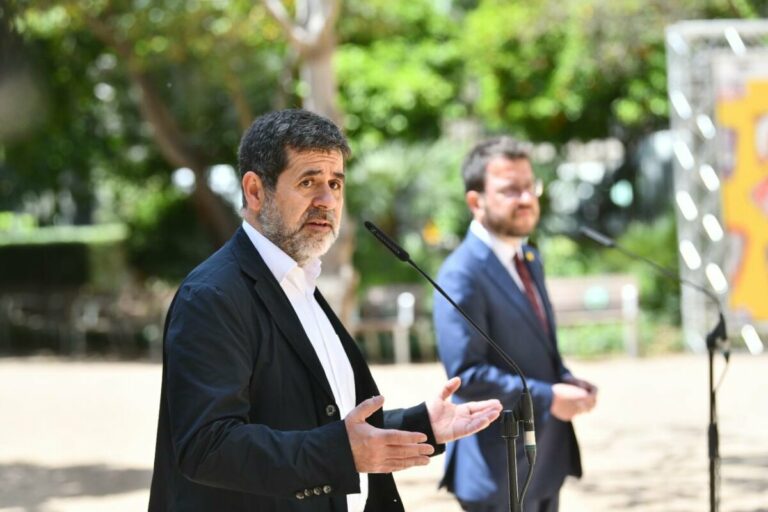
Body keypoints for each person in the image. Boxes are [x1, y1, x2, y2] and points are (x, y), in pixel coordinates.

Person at [148, 108, 502, 512]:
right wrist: (342, 453)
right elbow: (207, 447)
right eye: (309, 181)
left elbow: (320, 420)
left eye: (335, 183)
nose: (327, 200)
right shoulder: (213, 296)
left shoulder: (300, 282)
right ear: (254, 190)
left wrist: (421, 425)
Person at [434, 136, 598, 512]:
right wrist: (550, 396)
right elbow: (468, 375)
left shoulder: (528, 257)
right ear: (476, 202)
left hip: (544, 461)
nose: (526, 198)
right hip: (498, 469)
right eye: (510, 190)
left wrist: (566, 379)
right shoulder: (462, 274)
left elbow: (534, 349)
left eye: (530, 186)